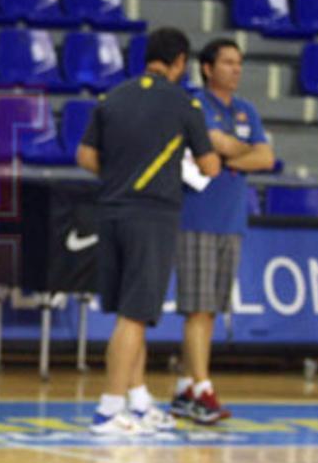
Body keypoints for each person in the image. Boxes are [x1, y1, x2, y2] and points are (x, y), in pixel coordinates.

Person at [76, 27, 221, 436]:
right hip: (152, 216)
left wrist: (122, 177)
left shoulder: (114, 97)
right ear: (180, 63)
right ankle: (109, 409)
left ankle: (138, 401)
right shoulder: (183, 103)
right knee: (136, 316)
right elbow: (210, 166)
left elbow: (85, 155)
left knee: (127, 312)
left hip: (111, 211)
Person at [173, 38, 275, 424]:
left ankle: (186, 386)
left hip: (231, 219)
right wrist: (240, 152)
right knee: (197, 308)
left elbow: (266, 157)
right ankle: (202, 389)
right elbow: (211, 145)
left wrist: (235, 153)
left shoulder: (246, 109)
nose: (236, 69)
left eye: (239, 63)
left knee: (211, 310)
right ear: (207, 67)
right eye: (228, 62)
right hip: (196, 217)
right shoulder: (195, 104)